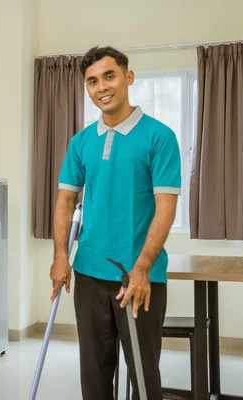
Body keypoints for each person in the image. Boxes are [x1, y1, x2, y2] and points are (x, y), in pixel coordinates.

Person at [50, 46, 181, 399]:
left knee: (143, 375)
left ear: (128, 77)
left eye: (109, 76)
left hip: (137, 277)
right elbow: (65, 201)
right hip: (90, 274)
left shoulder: (159, 137)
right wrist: (61, 256)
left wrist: (142, 267)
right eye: (92, 81)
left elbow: (165, 208)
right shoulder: (81, 142)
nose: (101, 87)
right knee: (93, 375)